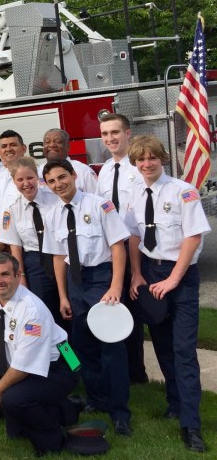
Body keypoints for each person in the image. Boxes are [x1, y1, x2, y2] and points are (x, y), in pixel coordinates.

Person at [124, 135, 210, 453]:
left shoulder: (183, 191)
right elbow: (133, 236)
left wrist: (174, 279)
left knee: (184, 351)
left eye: (152, 158)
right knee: (162, 347)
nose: (147, 164)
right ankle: (175, 403)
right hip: (151, 273)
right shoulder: (135, 192)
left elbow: (193, 237)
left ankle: (191, 425)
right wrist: (136, 273)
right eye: (141, 160)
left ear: (163, 159)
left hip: (181, 277)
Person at [41, 159, 132, 436]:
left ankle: (120, 411)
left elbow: (117, 246)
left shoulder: (100, 205)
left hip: (102, 278)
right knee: (82, 346)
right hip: (75, 282)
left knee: (112, 347)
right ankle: (96, 399)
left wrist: (115, 286)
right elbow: (58, 256)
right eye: (52, 181)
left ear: (73, 176)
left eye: (62, 177)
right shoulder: (52, 213)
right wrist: (63, 296)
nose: (59, 184)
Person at [0, 252, 79, 455]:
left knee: (13, 399)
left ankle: (53, 438)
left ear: (18, 275)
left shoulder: (32, 310)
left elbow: (23, 366)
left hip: (65, 362)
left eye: (5, 274)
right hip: (33, 361)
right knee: (15, 432)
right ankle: (65, 410)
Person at [97, 112, 148, 384]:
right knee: (117, 309)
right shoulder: (105, 170)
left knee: (136, 312)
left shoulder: (140, 168)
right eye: (105, 134)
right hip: (112, 251)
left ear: (128, 133)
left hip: (136, 250)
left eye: (114, 132)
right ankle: (122, 371)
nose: (110, 139)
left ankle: (137, 373)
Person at [0, 157, 62, 326]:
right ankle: (54, 352)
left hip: (62, 258)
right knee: (45, 313)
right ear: (13, 181)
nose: (26, 183)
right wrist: (22, 277)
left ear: (37, 177)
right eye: (20, 179)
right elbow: (16, 248)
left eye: (30, 177)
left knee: (68, 310)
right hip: (35, 265)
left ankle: (72, 353)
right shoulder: (12, 210)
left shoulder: (55, 199)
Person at [0, 130, 28, 248]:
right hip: (5, 246)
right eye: (4, 146)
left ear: (24, 148)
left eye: (13, 145)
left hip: (28, 247)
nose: (8, 149)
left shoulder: (35, 176)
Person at [37, 128, 98, 194]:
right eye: (47, 142)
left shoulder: (83, 171)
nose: (51, 145)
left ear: (68, 146)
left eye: (58, 141)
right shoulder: (37, 172)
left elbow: (97, 199)